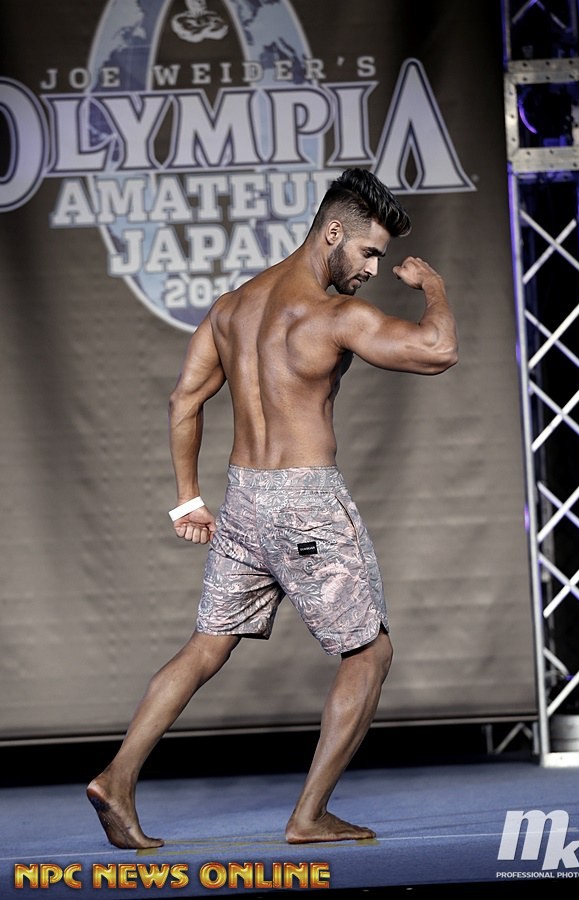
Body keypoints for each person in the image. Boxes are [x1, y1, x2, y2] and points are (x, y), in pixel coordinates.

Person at [86, 167, 458, 850]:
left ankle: (116, 778)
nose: (373, 269)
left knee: (206, 646)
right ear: (333, 231)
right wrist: (431, 286)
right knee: (369, 653)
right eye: (369, 252)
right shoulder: (332, 315)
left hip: (242, 499)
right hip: (306, 501)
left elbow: (184, 401)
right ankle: (309, 816)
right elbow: (439, 350)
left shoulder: (232, 307)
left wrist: (187, 500)